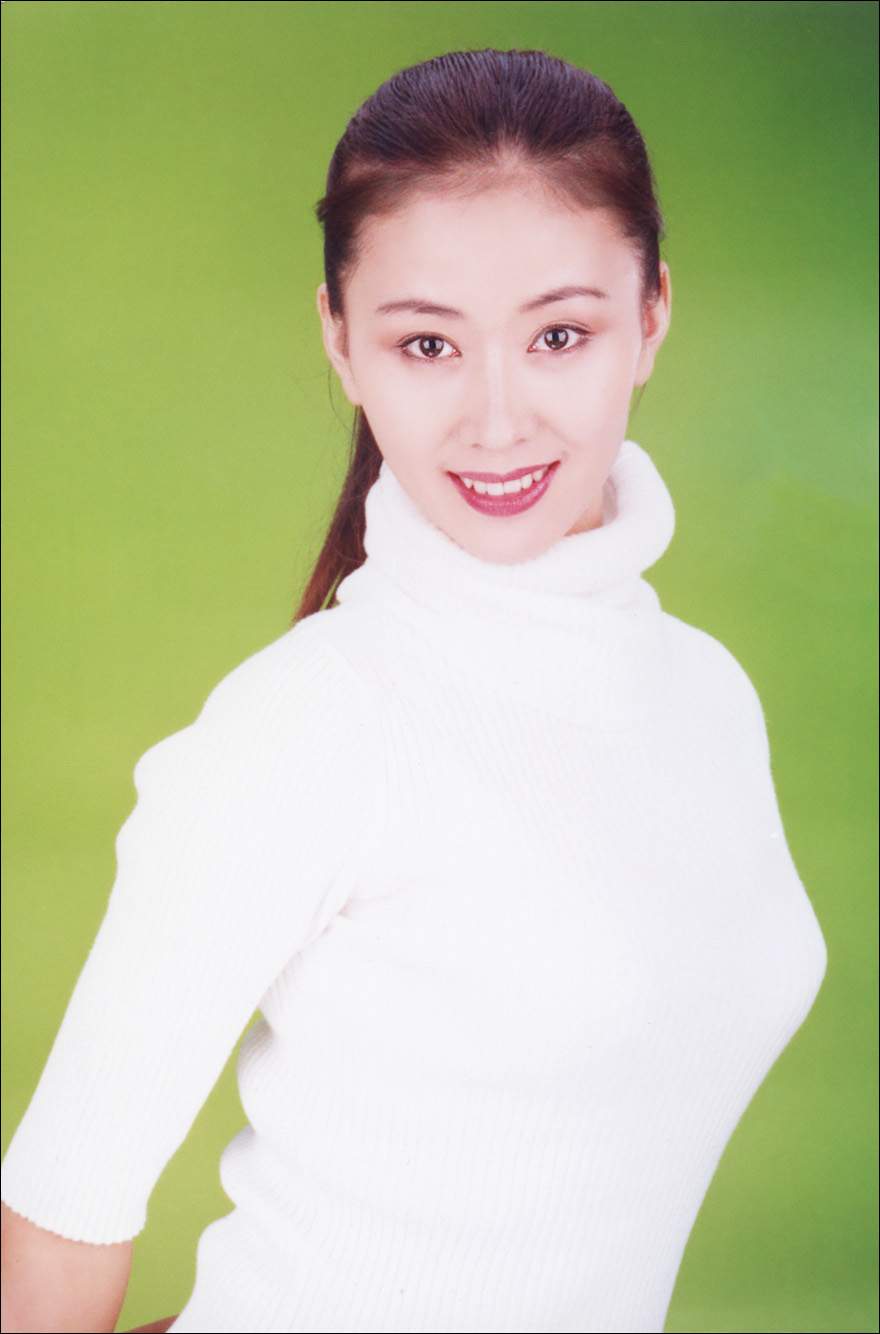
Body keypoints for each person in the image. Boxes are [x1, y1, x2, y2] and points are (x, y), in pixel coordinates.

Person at [0, 47, 828, 1334]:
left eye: (558, 334)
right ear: (340, 341)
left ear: (653, 314)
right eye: (427, 342)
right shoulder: (307, 727)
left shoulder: (706, 693)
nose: (496, 420)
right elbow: (62, 1210)